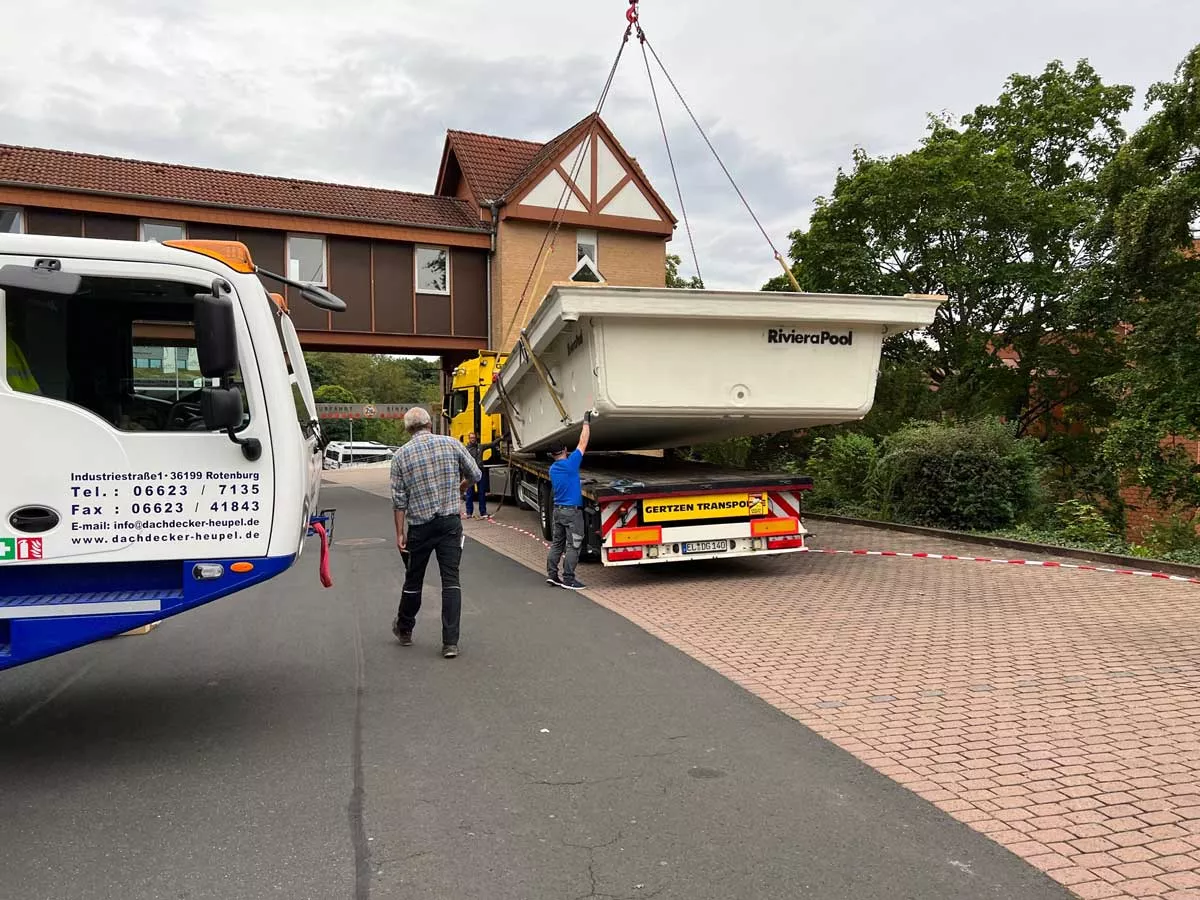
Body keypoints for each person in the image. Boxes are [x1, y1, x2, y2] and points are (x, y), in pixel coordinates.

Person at [390, 406, 481, 659]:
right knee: (451, 581)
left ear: (408, 428)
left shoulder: (401, 456)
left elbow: (399, 501)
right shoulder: (452, 444)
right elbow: (475, 474)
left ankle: (405, 628)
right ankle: (450, 642)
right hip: (450, 524)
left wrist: (400, 533)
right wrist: (460, 488)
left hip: (419, 526)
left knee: (414, 579)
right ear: (430, 424)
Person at [546, 412, 591, 591]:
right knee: (574, 545)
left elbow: (567, 482)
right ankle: (569, 579)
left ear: (552, 455)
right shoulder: (571, 463)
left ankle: (552, 575)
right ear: (565, 450)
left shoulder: (553, 469)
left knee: (557, 543)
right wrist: (586, 423)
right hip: (572, 512)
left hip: (558, 510)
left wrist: (580, 482)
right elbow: (583, 442)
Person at [462, 431, 498, 518]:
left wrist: (500, 439)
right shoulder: (465, 449)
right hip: (470, 473)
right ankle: (469, 512)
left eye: (474, 438)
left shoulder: (480, 447)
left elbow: (491, 444)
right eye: (471, 438)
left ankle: (483, 512)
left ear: (476, 438)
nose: (473, 439)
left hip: (480, 472)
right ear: (469, 439)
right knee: (470, 493)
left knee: (482, 493)